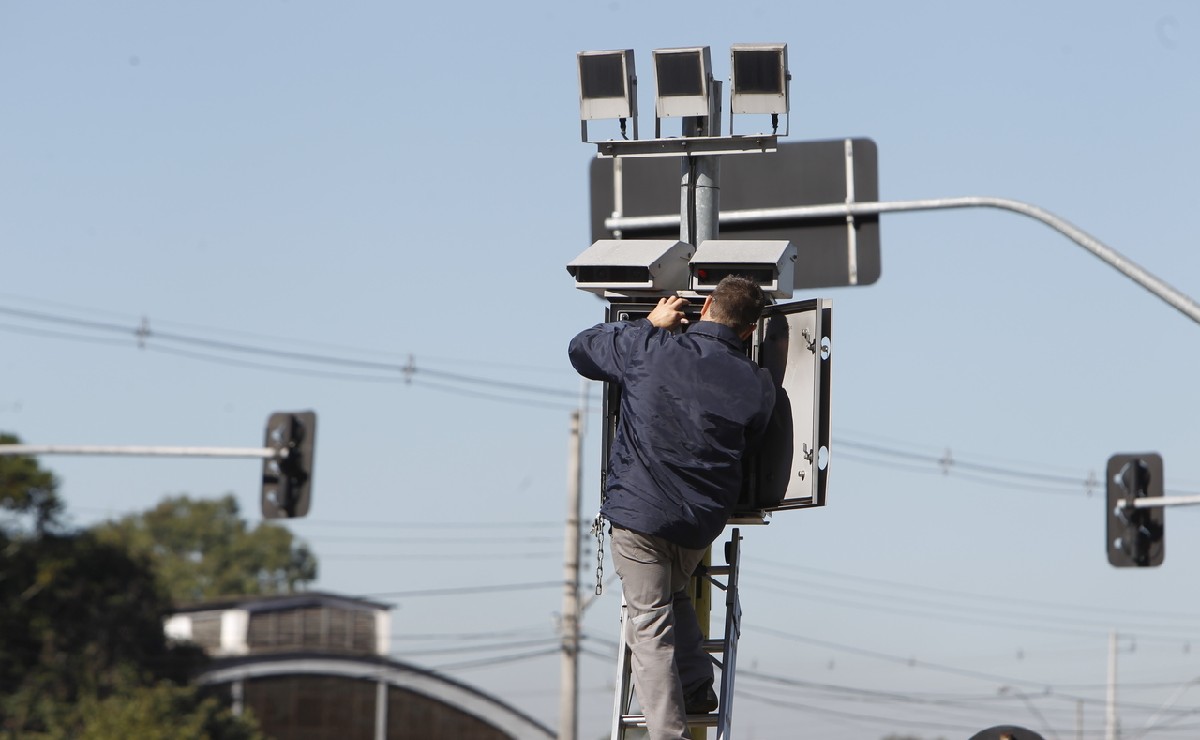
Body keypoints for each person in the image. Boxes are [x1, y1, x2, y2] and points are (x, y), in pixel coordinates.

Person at [568, 275, 776, 740]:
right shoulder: (757, 383)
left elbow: (581, 350)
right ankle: (699, 684)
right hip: (700, 523)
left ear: (704, 309)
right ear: (747, 333)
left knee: (649, 627)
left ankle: (668, 735)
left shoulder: (652, 348)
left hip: (640, 515)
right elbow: (755, 442)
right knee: (670, 596)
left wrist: (649, 323)